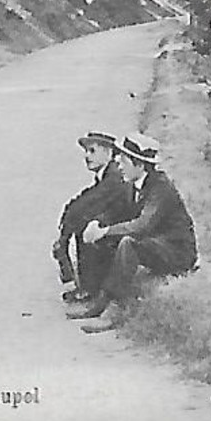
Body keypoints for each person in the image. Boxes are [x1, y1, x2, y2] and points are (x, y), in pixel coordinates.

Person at [66, 132, 197, 332]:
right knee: (108, 239)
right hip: (155, 243)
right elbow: (118, 213)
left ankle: (115, 309)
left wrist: (107, 230)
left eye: (124, 160)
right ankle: (100, 300)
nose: (119, 164)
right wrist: (98, 224)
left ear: (140, 165)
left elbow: (141, 225)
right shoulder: (132, 184)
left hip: (176, 252)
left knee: (128, 244)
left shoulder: (161, 188)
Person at [53, 130, 135, 303]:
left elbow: (94, 200)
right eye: (86, 151)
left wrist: (69, 223)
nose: (87, 156)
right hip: (120, 223)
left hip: (127, 230)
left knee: (86, 225)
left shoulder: (114, 176)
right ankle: (85, 284)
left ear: (109, 152)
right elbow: (88, 198)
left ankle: (91, 289)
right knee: (82, 221)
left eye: (92, 151)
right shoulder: (107, 174)